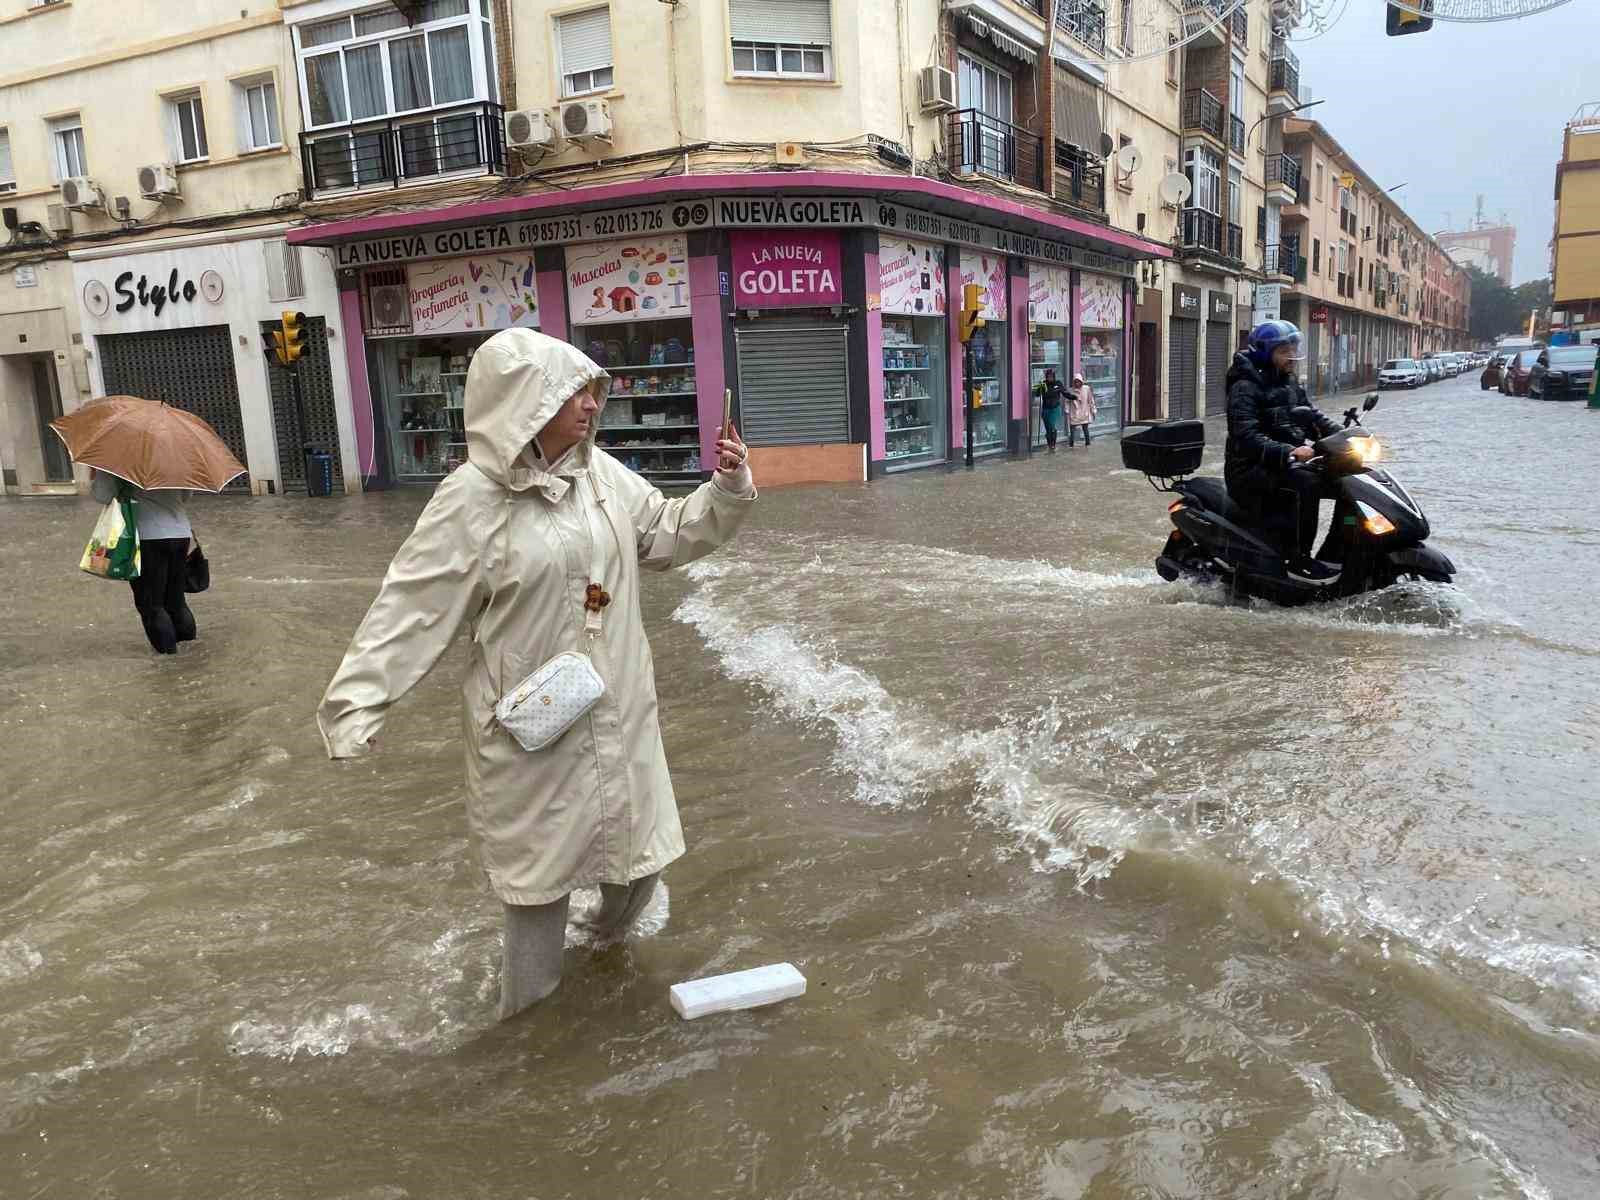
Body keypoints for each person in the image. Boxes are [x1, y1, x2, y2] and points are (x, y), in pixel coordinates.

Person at [316, 328, 756, 1021]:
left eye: (591, 391)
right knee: (537, 888)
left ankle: (602, 953)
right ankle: (526, 1033)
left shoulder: (600, 476)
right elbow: (411, 606)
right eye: (573, 392)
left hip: (618, 709)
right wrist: (358, 705)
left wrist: (726, 489)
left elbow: (666, 532)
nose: (590, 405)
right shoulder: (471, 501)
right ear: (526, 403)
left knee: (639, 862)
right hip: (533, 729)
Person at [1224, 320, 1342, 581]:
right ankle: (1297, 560)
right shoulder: (1245, 387)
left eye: (1293, 348)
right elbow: (1246, 437)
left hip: (1282, 463)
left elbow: (1311, 416)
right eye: (1284, 351)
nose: (1291, 356)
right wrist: (1290, 451)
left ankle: (1341, 551)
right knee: (1307, 484)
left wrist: (1342, 435)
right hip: (1249, 470)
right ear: (1266, 353)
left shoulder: (1288, 382)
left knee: (1342, 479)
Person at [90, 469, 196, 654]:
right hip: (181, 533)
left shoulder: (118, 460)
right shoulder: (175, 457)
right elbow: (186, 496)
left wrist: (97, 475)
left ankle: (169, 663)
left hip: (147, 536)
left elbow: (102, 495)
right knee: (176, 600)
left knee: (151, 604)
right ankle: (191, 655)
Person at [1035, 368, 1066, 452]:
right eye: (1048, 376)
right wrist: (1039, 387)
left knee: (1052, 427)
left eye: (1051, 376)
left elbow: (1064, 391)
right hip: (1046, 409)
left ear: (1054, 376)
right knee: (1048, 429)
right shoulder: (1044, 384)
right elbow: (1037, 394)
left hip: (1055, 408)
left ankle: (1053, 445)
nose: (1050, 378)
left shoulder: (1058, 383)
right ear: (1046, 377)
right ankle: (1050, 445)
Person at [1067, 373, 1095, 446]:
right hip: (1074, 414)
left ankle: (1088, 445)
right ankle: (1071, 446)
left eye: (1078, 381)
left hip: (1084, 412)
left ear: (1081, 381)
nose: (1077, 383)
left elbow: (1091, 400)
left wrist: (1093, 410)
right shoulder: (1070, 390)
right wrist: (1067, 410)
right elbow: (1067, 401)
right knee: (1072, 432)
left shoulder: (1086, 389)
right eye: (1075, 381)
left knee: (1085, 430)